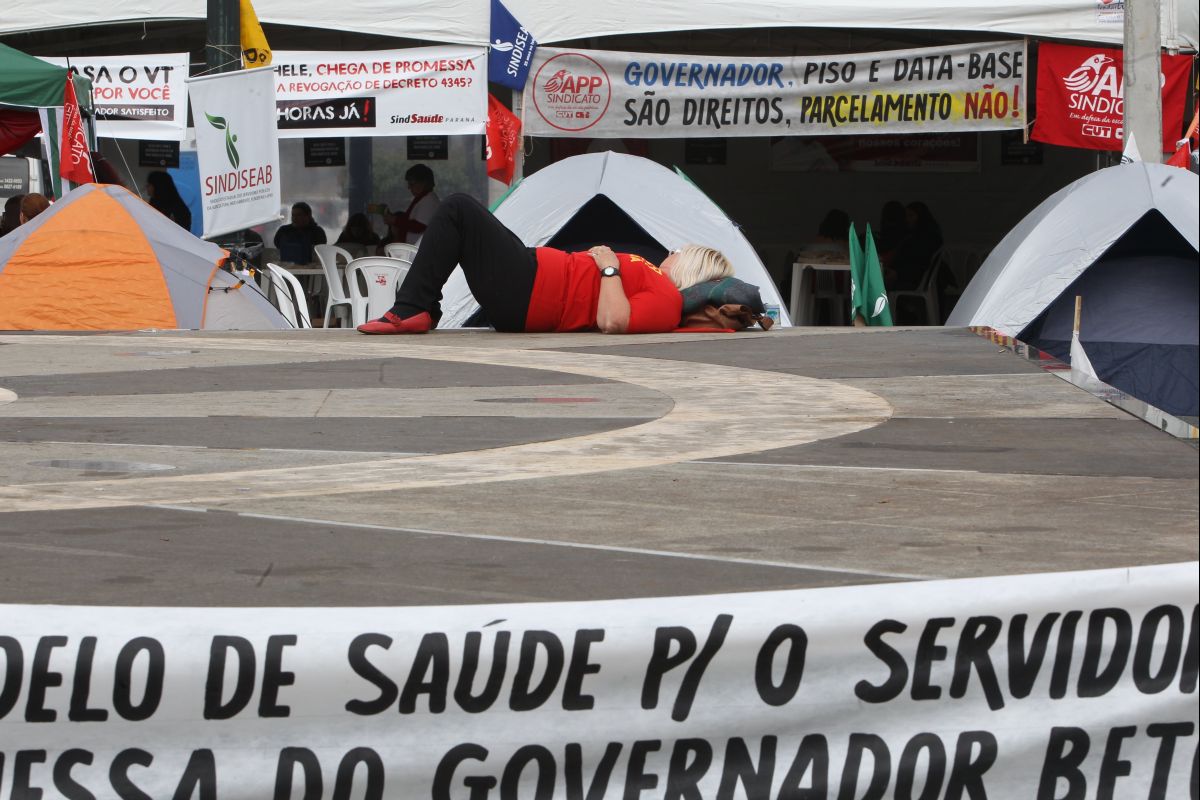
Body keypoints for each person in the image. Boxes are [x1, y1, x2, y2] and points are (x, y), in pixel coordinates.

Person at [357, 194, 733, 336]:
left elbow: (613, 322)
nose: (672, 251)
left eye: (681, 251)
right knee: (464, 219)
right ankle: (418, 307)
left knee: (458, 209)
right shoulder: (656, 280)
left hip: (530, 292)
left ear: (691, 268)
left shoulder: (667, 299)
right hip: (531, 280)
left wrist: (608, 267)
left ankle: (413, 308)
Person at [383, 164, 441, 246]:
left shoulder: (429, 200)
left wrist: (395, 220)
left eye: (412, 184)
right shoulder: (422, 199)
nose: (409, 187)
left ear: (423, 183)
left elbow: (418, 226)